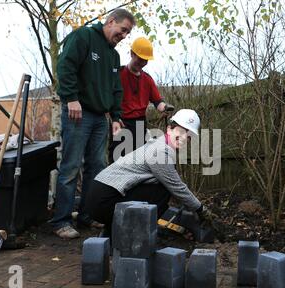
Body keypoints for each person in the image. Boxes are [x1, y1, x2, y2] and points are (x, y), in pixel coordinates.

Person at [51, 9, 136, 239]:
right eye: (123, 29)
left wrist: (116, 116)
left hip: (100, 118)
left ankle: (87, 215)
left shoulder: (114, 56)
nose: (124, 35)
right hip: (78, 113)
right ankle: (61, 221)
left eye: (128, 32)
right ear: (110, 22)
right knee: (70, 167)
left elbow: (116, 89)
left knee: (97, 168)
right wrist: (71, 98)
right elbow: (65, 66)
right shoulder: (83, 37)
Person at [85, 109, 205, 238]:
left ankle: (112, 233)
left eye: (188, 136)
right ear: (169, 129)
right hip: (103, 200)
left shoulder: (158, 145)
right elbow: (176, 187)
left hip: (99, 197)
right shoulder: (160, 151)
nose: (183, 138)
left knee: (158, 190)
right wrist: (200, 209)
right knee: (162, 191)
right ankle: (131, 238)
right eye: (180, 131)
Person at [108, 37, 173, 163]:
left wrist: (164, 107)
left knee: (138, 162)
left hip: (139, 124)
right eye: (140, 58)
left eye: (145, 60)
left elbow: (157, 101)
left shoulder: (148, 79)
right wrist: (113, 117)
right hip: (121, 122)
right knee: (118, 160)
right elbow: (109, 97)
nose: (142, 62)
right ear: (132, 54)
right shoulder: (118, 74)